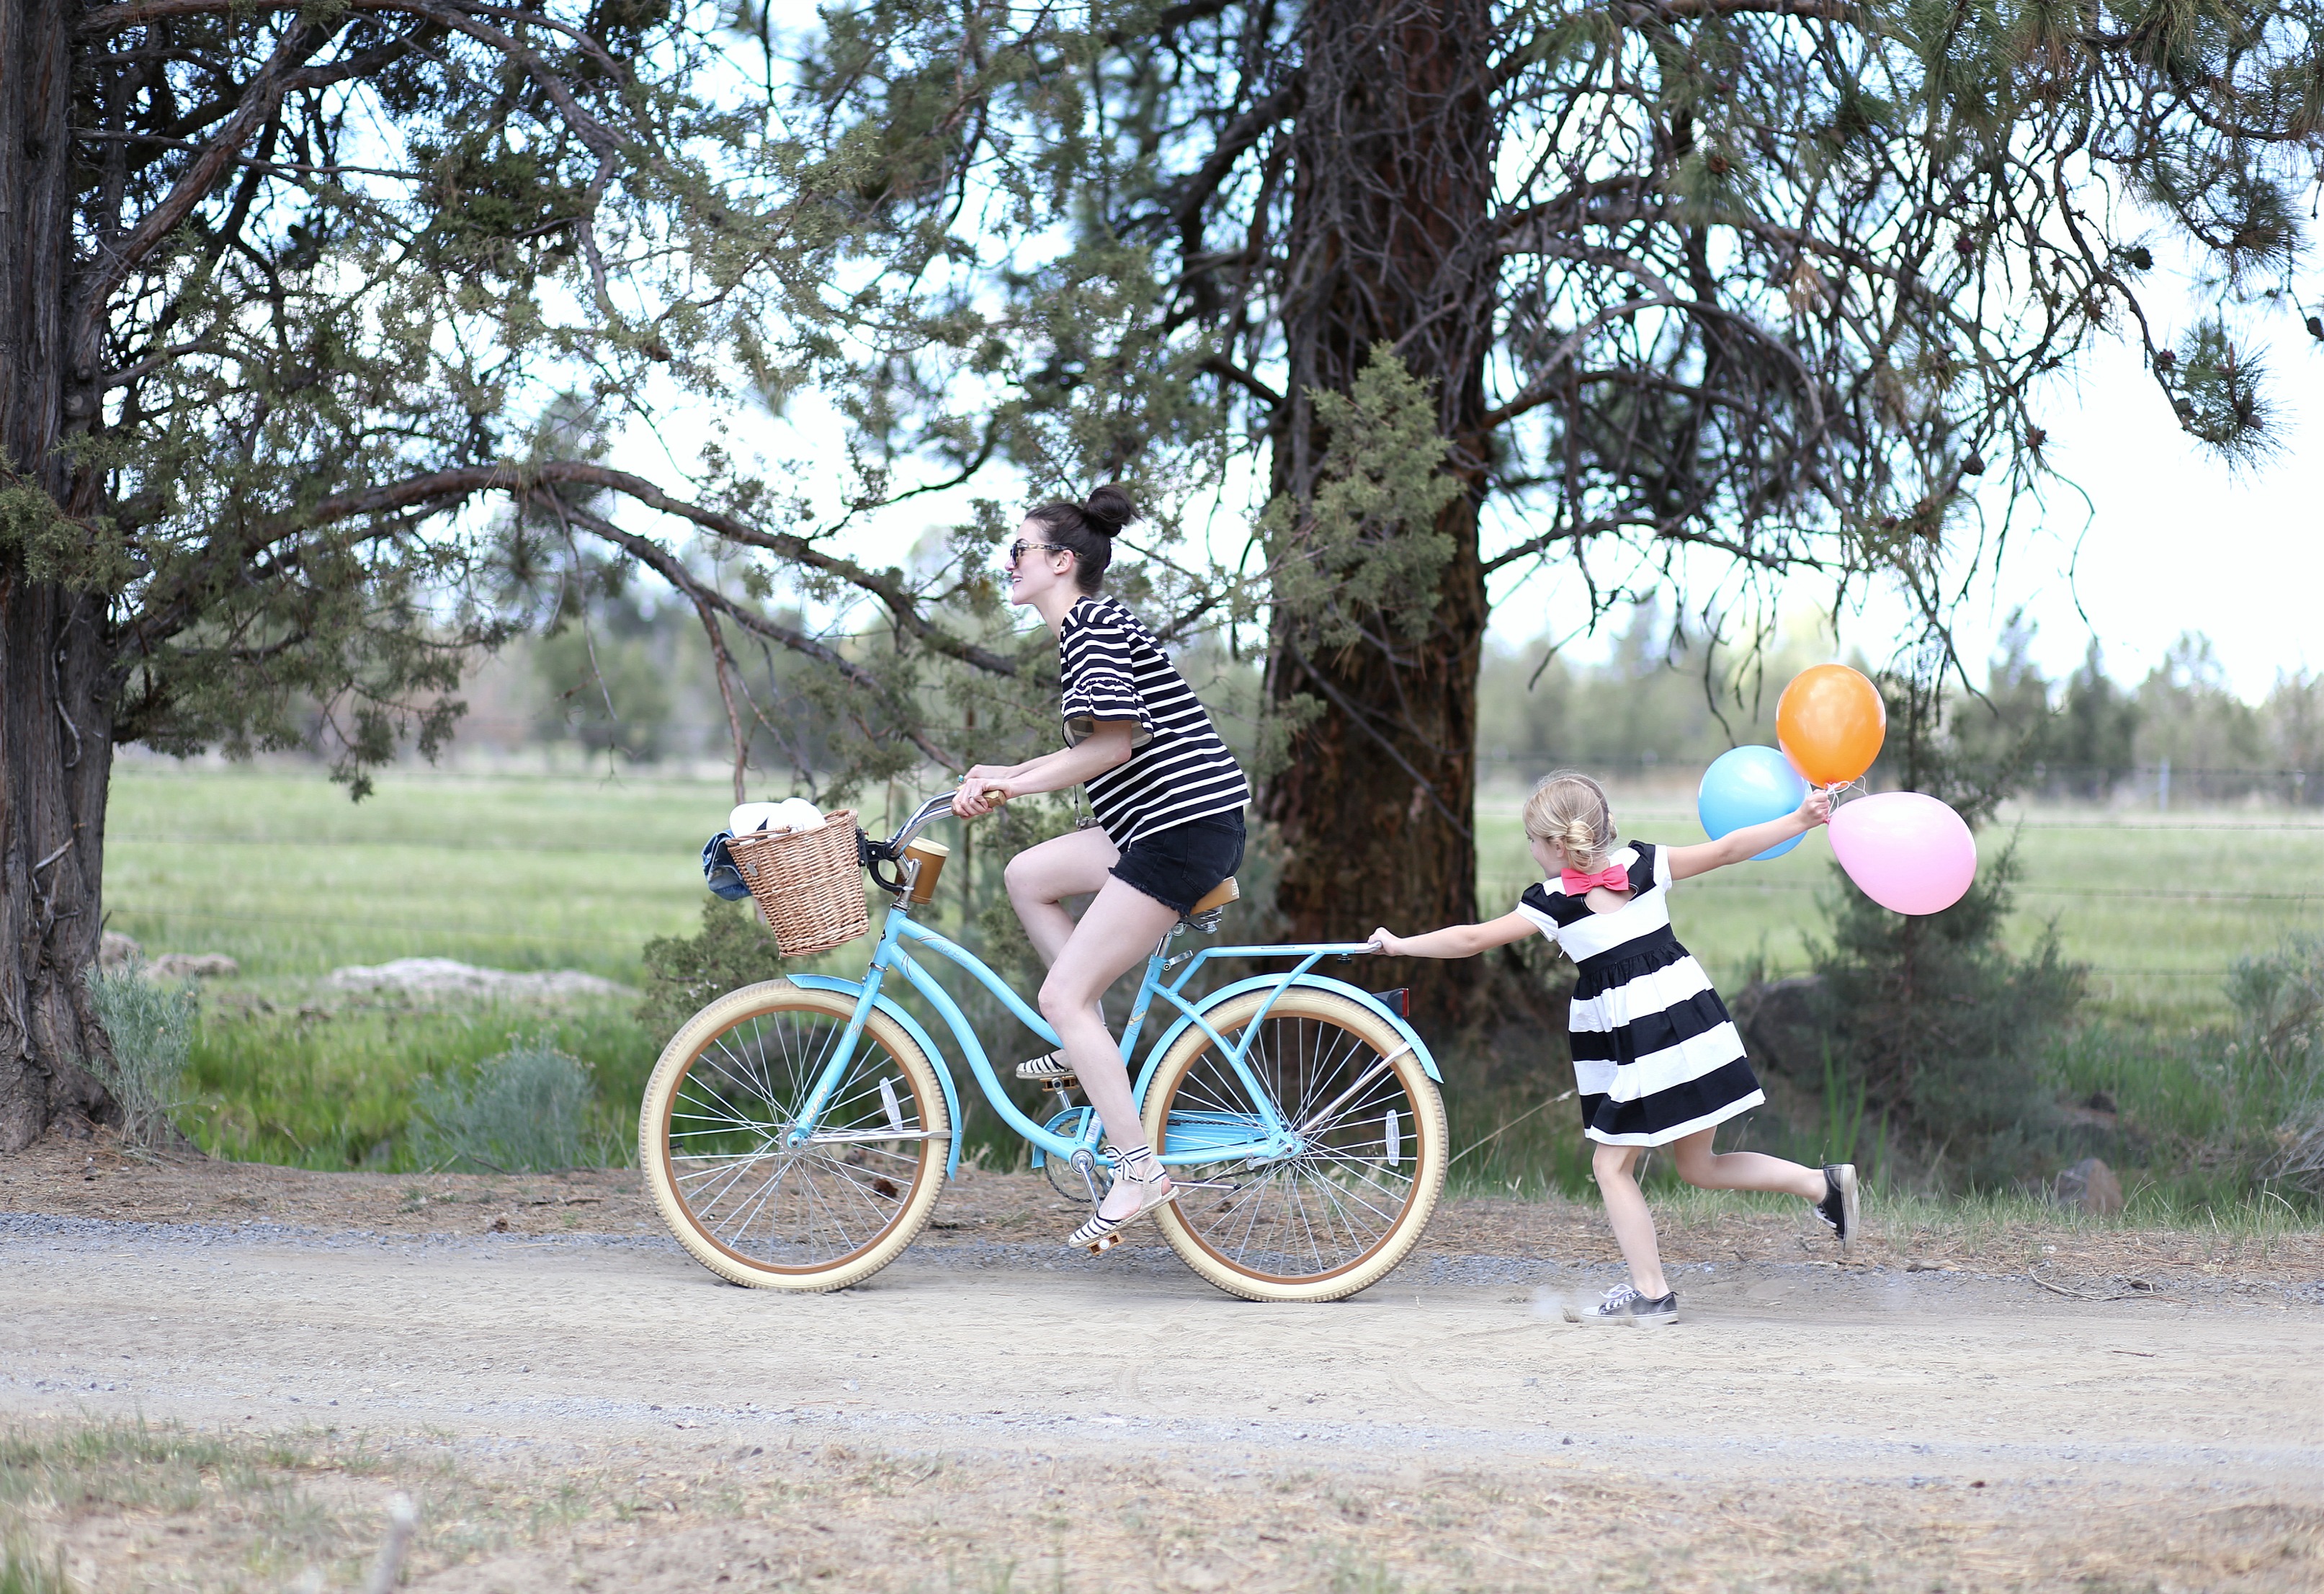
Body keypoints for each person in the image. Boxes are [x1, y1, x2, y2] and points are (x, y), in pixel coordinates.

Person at [1368, 770, 1858, 1325]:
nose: (1531, 852)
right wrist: (1799, 820)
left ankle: (1652, 1293)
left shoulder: (1554, 901)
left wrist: (1398, 944)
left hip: (1649, 1039)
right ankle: (1821, 1185)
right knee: (1698, 1165)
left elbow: (1473, 939)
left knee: (1610, 1167)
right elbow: (1726, 850)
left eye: (1533, 841)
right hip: (1692, 1022)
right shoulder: (1643, 866)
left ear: (1556, 844)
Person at [951, 484, 1251, 1249]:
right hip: (1156, 824)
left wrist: (1010, 783)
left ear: (1060, 560)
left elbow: (1111, 746)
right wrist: (1006, 768)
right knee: (1028, 876)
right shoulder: (1087, 628)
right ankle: (1090, 1040)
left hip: (1179, 831)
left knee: (1062, 993)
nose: (1008, 563)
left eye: (1018, 550)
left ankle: (1138, 1168)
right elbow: (1104, 747)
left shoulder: (1090, 627)